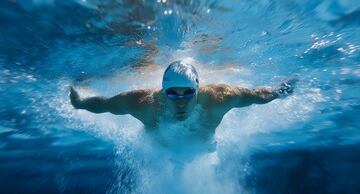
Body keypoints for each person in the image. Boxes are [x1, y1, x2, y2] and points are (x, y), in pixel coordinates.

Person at [70, 61, 296, 135]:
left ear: (198, 91)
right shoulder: (142, 104)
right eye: (172, 94)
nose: (180, 101)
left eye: (188, 94)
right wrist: (80, 103)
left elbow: (257, 96)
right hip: (158, 153)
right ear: (162, 92)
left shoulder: (220, 98)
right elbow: (105, 105)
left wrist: (278, 92)